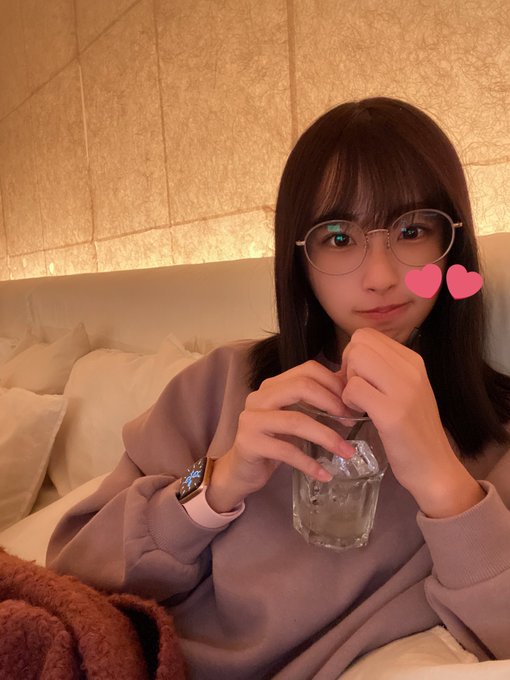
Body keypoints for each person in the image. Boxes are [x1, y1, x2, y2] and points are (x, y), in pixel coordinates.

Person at [47, 98, 510, 679]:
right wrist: (216, 482)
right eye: (338, 238)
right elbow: (74, 566)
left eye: (412, 231)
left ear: (452, 243)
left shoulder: (497, 433)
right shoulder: (223, 381)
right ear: (300, 259)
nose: (380, 276)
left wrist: (444, 483)